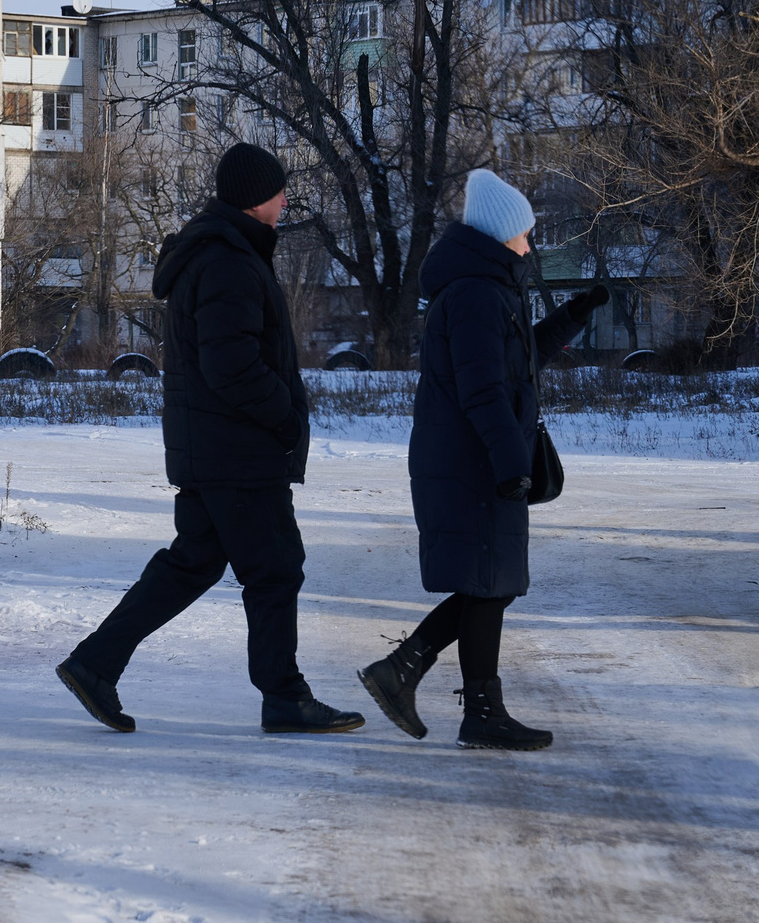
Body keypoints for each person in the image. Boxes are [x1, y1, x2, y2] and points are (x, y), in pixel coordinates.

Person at [57, 144, 365, 736]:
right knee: (275, 568)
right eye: (278, 191)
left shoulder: (222, 252)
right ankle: (284, 697)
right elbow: (232, 366)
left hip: (215, 448)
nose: (285, 201)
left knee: (193, 563)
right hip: (237, 452)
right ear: (255, 198)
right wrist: (285, 416)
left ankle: (95, 663)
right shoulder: (228, 261)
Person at [359, 168, 608, 750]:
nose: (531, 245)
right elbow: (483, 390)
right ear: (501, 236)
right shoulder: (475, 293)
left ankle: (423, 682)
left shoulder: (488, 289)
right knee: (489, 583)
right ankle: (457, 700)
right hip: (474, 463)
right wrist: (509, 461)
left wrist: (572, 315)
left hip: (476, 458)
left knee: (489, 582)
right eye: (525, 234)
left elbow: (516, 362)